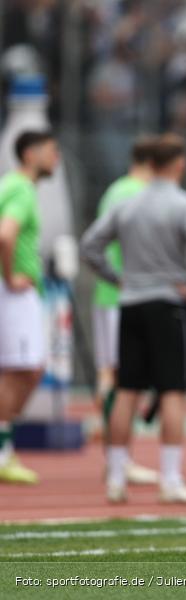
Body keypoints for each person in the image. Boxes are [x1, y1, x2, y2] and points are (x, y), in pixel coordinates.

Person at [81, 134, 186, 504]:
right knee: (173, 390)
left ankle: (115, 478)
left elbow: (90, 245)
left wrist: (117, 278)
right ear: (179, 164)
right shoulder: (184, 204)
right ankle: (170, 480)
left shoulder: (127, 205)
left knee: (127, 389)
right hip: (168, 303)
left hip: (131, 302)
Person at [91, 135, 158, 486]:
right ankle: (118, 457)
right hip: (125, 296)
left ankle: (116, 456)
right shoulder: (136, 192)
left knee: (114, 376)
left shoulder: (116, 190)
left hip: (110, 294)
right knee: (124, 379)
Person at [0, 130, 58, 484]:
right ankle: (2, 452)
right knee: (22, 370)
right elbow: (5, 234)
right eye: (52, 151)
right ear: (30, 154)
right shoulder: (20, 188)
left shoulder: (10, 185)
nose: (56, 158)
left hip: (12, 291)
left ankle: (4, 449)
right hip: (12, 292)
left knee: (23, 369)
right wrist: (11, 277)